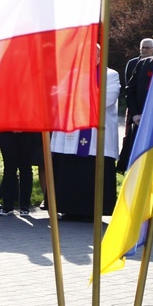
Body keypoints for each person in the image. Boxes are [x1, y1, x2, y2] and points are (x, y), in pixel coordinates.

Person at [51, 62, 120, 220]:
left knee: (92, 172)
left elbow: (107, 98)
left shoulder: (110, 74)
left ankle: (92, 212)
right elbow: (59, 95)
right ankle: (68, 209)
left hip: (96, 134)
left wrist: (76, 95)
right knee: (70, 170)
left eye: (96, 54)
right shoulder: (71, 72)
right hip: (71, 134)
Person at [117, 38, 153, 172]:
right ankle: (126, 164)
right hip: (139, 112)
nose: (145, 50)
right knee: (132, 139)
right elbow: (130, 88)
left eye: (147, 47)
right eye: (142, 47)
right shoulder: (138, 64)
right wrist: (135, 113)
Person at [0, 131, 38, 216]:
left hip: (28, 131)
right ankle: (7, 206)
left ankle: (25, 206)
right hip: (7, 131)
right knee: (9, 168)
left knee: (25, 168)